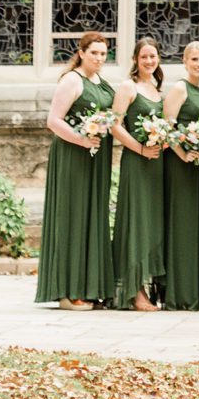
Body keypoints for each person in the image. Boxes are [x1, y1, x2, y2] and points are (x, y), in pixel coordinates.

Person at [35, 30, 115, 308]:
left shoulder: (102, 82)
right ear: (81, 53)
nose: (99, 58)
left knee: (91, 217)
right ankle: (68, 292)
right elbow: (53, 121)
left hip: (96, 157)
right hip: (73, 156)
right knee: (73, 216)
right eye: (94, 52)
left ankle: (90, 286)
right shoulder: (72, 80)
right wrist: (81, 139)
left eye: (103, 53)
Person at [110, 35, 166, 309]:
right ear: (135, 59)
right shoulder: (128, 87)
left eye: (153, 56)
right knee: (136, 221)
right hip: (137, 162)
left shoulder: (157, 90)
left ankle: (148, 286)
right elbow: (115, 125)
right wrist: (140, 149)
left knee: (152, 224)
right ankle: (134, 292)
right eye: (144, 56)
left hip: (157, 166)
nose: (148, 61)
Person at [161, 40, 199, 309]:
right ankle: (179, 292)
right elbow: (168, 127)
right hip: (181, 164)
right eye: (194, 60)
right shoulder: (180, 88)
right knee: (182, 222)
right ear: (184, 61)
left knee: (196, 223)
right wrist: (183, 154)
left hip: (198, 164)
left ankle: (196, 288)